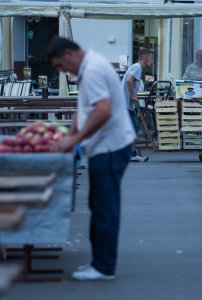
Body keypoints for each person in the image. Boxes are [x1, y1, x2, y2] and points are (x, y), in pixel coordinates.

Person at [48, 37, 136, 281]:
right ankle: (100, 262)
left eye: (59, 65)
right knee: (99, 205)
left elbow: (103, 110)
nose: (61, 70)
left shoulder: (94, 69)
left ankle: (104, 266)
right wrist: (71, 133)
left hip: (110, 147)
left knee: (104, 207)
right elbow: (84, 106)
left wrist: (74, 140)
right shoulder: (90, 66)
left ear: (68, 54)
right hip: (106, 146)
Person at [121, 48, 154, 162]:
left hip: (125, 103)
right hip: (125, 103)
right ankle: (130, 154)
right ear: (143, 58)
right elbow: (129, 81)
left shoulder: (136, 67)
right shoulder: (137, 67)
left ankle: (130, 153)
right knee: (133, 127)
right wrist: (132, 96)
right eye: (151, 57)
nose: (152, 60)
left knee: (130, 128)